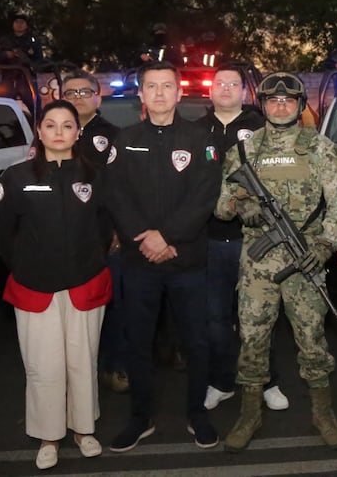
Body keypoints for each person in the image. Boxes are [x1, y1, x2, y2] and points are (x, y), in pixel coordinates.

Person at [217, 72, 337, 452]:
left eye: (288, 101)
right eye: (273, 100)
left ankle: (323, 413)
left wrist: (325, 245)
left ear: (299, 105)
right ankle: (250, 413)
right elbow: (221, 206)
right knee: (253, 337)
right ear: (263, 105)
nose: (280, 106)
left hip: (305, 257)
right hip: (258, 263)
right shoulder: (245, 150)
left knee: (312, 339)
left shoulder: (319, 147)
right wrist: (244, 205)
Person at [103, 61, 222, 452]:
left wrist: (167, 236)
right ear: (141, 94)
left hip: (186, 259)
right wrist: (145, 241)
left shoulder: (200, 137)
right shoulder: (125, 138)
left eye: (166, 86)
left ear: (179, 92)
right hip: (140, 261)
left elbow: (205, 195)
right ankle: (140, 417)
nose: (158, 93)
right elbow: (116, 196)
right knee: (138, 341)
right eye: (151, 87)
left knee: (196, 341)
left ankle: (197, 414)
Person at [0, 101, 113, 470]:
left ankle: (83, 428)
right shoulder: (15, 176)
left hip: (84, 282)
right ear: (39, 131)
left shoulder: (96, 175)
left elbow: (106, 226)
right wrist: (26, 264)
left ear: (78, 132)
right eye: (51, 125)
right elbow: (1, 231)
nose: (59, 132)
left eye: (67, 125)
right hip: (34, 286)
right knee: (43, 366)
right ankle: (48, 435)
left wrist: (91, 259)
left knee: (83, 361)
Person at [197, 66, 289, 413]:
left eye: (233, 84)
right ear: (210, 90)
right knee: (216, 319)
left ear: (243, 90)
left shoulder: (261, 129)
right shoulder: (195, 130)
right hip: (208, 239)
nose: (225, 88)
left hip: (254, 239)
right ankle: (221, 382)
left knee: (261, 316)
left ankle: (268, 380)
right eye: (219, 83)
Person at [60, 71, 127, 393]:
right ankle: (75, 374)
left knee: (112, 307)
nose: (77, 97)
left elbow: (124, 190)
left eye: (84, 91)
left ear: (98, 96)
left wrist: (118, 230)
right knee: (69, 310)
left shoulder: (116, 135)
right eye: (70, 93)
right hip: (63, 240)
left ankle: (114, 366)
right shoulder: (50, 134)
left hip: (106, 238)